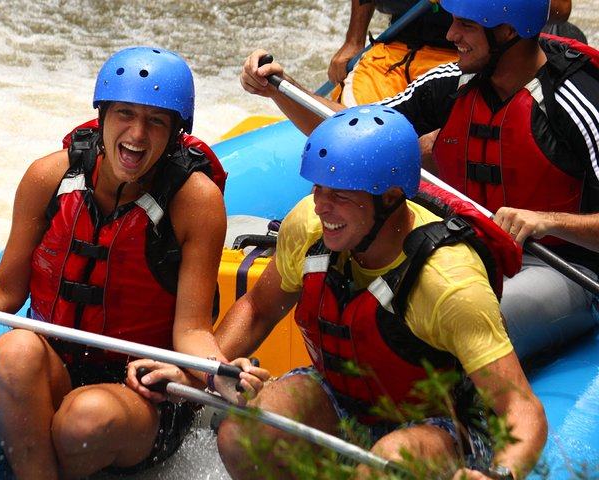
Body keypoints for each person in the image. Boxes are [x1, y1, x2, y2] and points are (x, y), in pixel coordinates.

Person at [0, 46, 268, 480]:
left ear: (176, 134)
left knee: (83, 420)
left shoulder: (195, 201)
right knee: (14, 348)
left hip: (142, 390)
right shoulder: (47, 178)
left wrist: (217, 373)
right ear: (102, 115)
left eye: (156, 121)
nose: (138, 134)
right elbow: (6, 289)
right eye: (125, 113)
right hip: (58, 366)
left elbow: (192, 330)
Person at [240, 0, 599, 360]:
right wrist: (281, 87)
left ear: (507, 31)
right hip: (462, 249)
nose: (450, 34)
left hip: (559, 264)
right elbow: (354, 133)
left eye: (466, 26)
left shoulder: (576, 101)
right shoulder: (452, 82)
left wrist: (547, 221)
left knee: (472, 320)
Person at [213, 105, 547, 480]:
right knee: (242, 436)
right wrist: (204, 367)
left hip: (441, 425)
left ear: (389, 198)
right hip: (340, 393)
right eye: (317, 188)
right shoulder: (310, 225)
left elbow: (521, 409)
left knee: (383, 468)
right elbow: (258, 309)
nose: (321, 207)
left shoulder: (449, 283)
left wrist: (504, 473)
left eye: (339, 194)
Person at [328, 0, 574, 107]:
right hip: (395, 49)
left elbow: (561, 10)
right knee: (350, 122)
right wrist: (354, 40)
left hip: (466, 56)